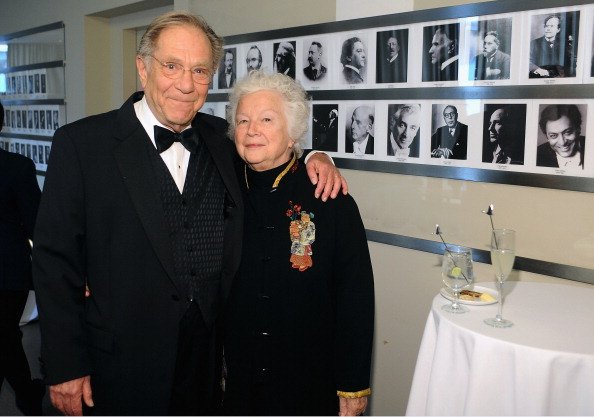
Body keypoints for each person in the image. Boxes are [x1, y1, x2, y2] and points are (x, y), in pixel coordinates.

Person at [32, 12, 345, 416]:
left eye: (200, 70)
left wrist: (317, 156)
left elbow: (272, 149)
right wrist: (64, 366)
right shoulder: (82, 146)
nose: (185, 84)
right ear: (143, 68)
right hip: (118, 366)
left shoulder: (223, 138)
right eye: (172, 66)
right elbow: (54, 264)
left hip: (207, 363)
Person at [223, 70, 374, 417]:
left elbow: (355, 296)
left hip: (307, 383)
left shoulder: (330, 199)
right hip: (236, 386)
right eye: (243, 120)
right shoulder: (222, 187)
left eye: (266, 119)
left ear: (293, 133)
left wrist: (352, 386)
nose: (252, 130)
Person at [0, 101, 44, 416]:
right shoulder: (17, 166)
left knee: (3, 335)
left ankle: (27, 393)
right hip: (10, 274)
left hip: (9, 273)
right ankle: (27, 392)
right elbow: (36, 223)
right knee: (4, 335)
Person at [536, 104, 585, 169]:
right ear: (547, 137)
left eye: (568, 132)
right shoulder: (537, 156)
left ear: (578, 129)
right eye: (553, 135)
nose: (562, 143)